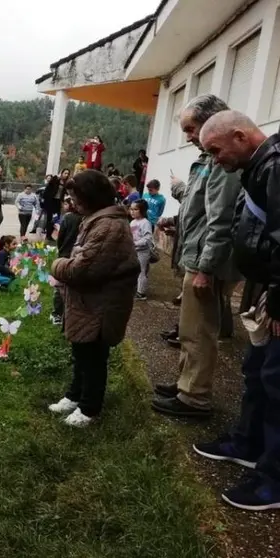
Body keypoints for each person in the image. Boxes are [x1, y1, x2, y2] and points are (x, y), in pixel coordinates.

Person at [193, 109, 280, 511]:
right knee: (258, 371)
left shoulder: (275, 168)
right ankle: (250, 444)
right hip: (267, 288)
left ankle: (273, 479)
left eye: (215, 149)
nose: (214, 159)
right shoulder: (258, 168)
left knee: (277, 379)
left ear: (241, 137)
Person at [151, 94, 242, 418]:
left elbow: (221, 218)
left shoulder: (222, 161)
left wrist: (205, 268)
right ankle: (184, 382)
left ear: (212, 122)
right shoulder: (207, 160)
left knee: (200, 331)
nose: (188, 136)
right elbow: (198, 206)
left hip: (207, 260)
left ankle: (194, 397)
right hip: (197, 253)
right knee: (189, 328)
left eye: (191, 128)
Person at [48, 170, 139, 427]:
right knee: (81, 352)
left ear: (92, 196)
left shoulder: (108, 226)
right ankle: (75, 395)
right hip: (90, 302)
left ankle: (89, 408)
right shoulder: (97, 220)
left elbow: (82, 269)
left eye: (76, 197)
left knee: (93, 357)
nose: (73, 202)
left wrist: (58, 265)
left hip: (101, 305)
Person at [51, 195, 82, 326]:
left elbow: (60, 237)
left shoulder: (68, 218)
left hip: (64, 254)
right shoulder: (85, 218)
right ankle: (70, 314)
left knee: (59, 286)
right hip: (78, 256)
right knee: (74, 286)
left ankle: (57, 314)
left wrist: (61, 248)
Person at [130, 199, 154, 301]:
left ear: (142, 210)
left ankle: (141, 293)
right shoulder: (132, 222)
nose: (132, 211)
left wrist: (135, 243)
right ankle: (136, 288)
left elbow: (147, 238)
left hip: (143, 252)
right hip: (134, 250)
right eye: (131, 209)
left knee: (142, 271)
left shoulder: (145, 223)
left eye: (135, 209)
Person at [42, 169, 70, 242]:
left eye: (68, 174)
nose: (66, 175)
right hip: (51, 201)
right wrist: (57, 176)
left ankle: (50, 235)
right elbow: (50, 184)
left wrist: (63, 202)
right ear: (61, 173)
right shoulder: (55, 179)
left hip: (57, 202)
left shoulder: (65, 183)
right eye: (65, 173)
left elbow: (64, 193)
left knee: (56, 219)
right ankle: (48, 236)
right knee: (50, 219)